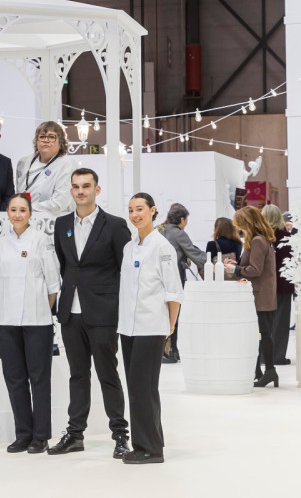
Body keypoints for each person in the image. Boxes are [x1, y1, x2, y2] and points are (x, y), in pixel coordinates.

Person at [50, 168, 131, 458]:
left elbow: (124, 270)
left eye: (86, 186)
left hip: (103, 312)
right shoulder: (62, 224)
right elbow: (66, 265)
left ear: (97, 190)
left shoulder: (115, 225)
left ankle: (120, 435)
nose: (80, 191)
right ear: (71, 190)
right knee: (77, 375)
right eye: (76, 186)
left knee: (108, 374)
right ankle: (75, 434)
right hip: (71, 312)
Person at [118, 193, 183, 464]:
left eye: (140, 209)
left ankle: (151, 449)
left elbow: (173, 292)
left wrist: (169, 326)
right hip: (129, 328)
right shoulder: (129, 247)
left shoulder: (163, 247)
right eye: (131, 210)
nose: (135, 215)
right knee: (136, 389)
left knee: (144, 388)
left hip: (151, 327)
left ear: (153, 211)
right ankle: (146, 443)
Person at [0, 193, 60, 454]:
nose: (18, 214)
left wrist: (41, 308)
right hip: (7, 320)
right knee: (15, 379)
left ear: (30, 213)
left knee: (39, 379)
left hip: (37, 321)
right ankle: (23, 433)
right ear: (7, 213)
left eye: (23, 210)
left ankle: (41, 435)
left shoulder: (42, 240)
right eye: (13, 210)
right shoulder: (1, 243)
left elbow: (53, 285)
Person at [224, 206, 278, 388]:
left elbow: (255, 270)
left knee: (262, 334)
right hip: (262, 295)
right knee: (260, 334)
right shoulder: (261, 240)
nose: (239, 228)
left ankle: (268, 370)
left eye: (240, 224)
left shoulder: (257, 241)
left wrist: (235, 269)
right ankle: (262, 371)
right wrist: (237, 265)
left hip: (260, 297)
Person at [160, 203, 207, 364]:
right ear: (182, 219)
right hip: (174, 278)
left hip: (161, 279)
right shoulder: (178, 233)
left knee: (166, 314)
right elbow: (194, 253)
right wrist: (213, 262)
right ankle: (170, 350)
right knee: (175, 315)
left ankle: (170, 350)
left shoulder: (162, 232)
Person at [15, 121, 74, 215]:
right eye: (42, 136)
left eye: (51, 137)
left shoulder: (66, 163)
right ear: (37, 141)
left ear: (60, 142)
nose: (46, 140)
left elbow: (60, 202)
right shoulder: (24, 162)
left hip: (56, 219)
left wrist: (27, 209)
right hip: (25, 218)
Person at [262, 204, 294, 366]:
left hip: (265, 285)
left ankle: (263, 355)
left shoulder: (261, 237)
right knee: (281, 321)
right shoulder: (286, 237)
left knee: (264, 321)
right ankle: (278, 355)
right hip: (283, 284)